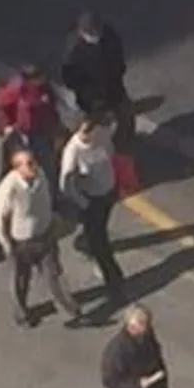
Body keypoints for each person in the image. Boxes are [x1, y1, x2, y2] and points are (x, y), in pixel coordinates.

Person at [0, 146, 83, 328]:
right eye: (29, 163)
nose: (34, 165)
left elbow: (46, 199)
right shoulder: (9, 189)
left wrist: (53, 219)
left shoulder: (40, 175)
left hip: (45, 235)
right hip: (21, 242)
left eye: (34, 161)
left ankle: (68, 310)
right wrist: (6, 243)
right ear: (18, 168)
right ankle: (21, 313)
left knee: (54, 274)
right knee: (21, 280)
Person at [59, 115, 126, 303]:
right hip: (92, 201)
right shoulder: (72, 152)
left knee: (100, 231)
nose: (89, 134)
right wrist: (82, 202)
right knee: (100, 243)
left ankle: (89, 245)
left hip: (109, 193)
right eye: (85, 131)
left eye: (92, 129)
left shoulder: (102, 136)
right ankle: (115, 281)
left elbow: (111, 154)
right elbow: (66, 184)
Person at [60, 12, 134, 149]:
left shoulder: (108, 35)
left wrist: (118, 72)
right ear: (81, 32)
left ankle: (124, 143)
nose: (96, 37)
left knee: (126, 114)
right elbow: (70, 78)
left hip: (113, 86)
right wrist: (88, 92)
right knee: (97, 125)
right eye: (91, 34)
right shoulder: (73, 51)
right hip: (91, 96)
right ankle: (105, 148)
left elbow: (118, 54)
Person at [0, 64, 61, 180]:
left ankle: (49, 194)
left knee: (47, 165)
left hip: (43, 132)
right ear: (29, 80)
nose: (42, 81)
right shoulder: (17, 89)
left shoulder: (45, 88)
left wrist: (55, 124)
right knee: (25, 166)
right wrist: (6, 125)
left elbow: (52, 106)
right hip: (23, 134)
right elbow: (1, 105)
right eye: (38, 79)